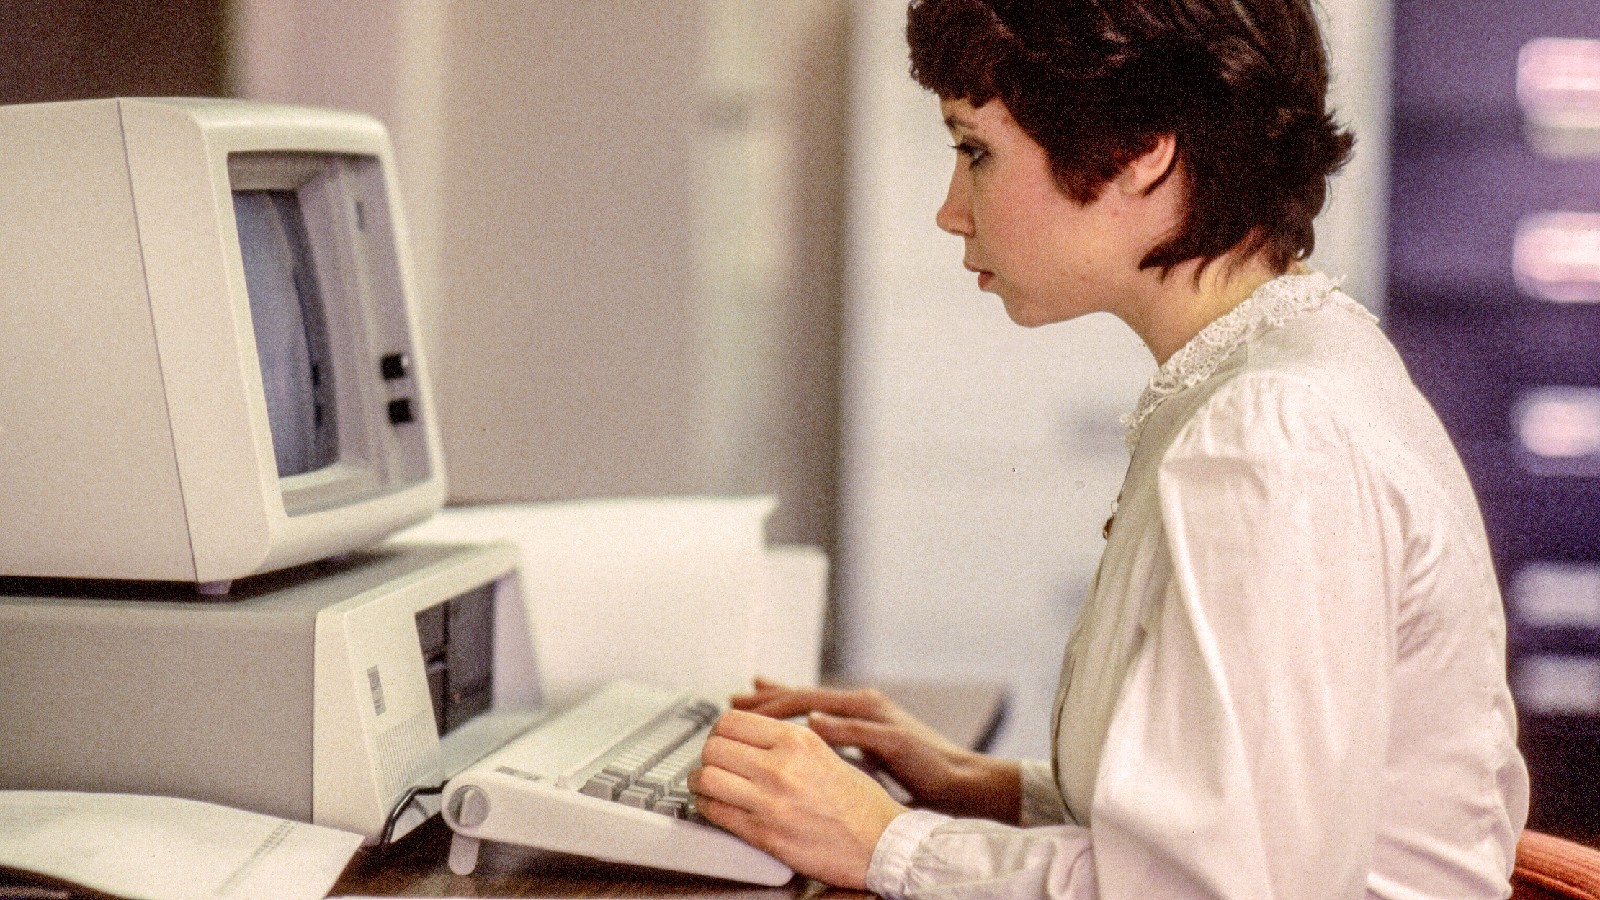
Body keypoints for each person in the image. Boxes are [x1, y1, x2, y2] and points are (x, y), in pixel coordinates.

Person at [687, 0, 1530, 896]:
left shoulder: (1274, 438)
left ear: (1140, 149)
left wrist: (884, 841)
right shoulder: (1279, 369)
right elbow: (1236, 826)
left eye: (976, 150)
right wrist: (995, 790)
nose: (949, 209)